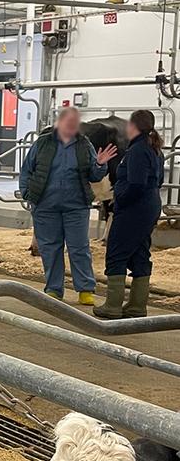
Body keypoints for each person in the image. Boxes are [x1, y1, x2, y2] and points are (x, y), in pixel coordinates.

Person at [19, 106, 117, 304]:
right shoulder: (43, 143)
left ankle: (85, 289)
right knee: (50, 247)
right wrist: (27, 194)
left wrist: (99, 164)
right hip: (46, 206)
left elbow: (94, 176)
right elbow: (26, 170)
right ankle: (54, 289)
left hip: (76, 205)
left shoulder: (83, 144)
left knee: (79, 247)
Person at [94, 110, 164, 319]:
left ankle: (113, 306)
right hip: (149, 206)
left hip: (134, 209)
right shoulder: (154, 149)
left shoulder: (137, 151)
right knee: (140, 253)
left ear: (134, 127)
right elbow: (156, 182)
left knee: (116, 253)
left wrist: (120, 199)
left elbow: (136, 183)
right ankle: (136, 306)